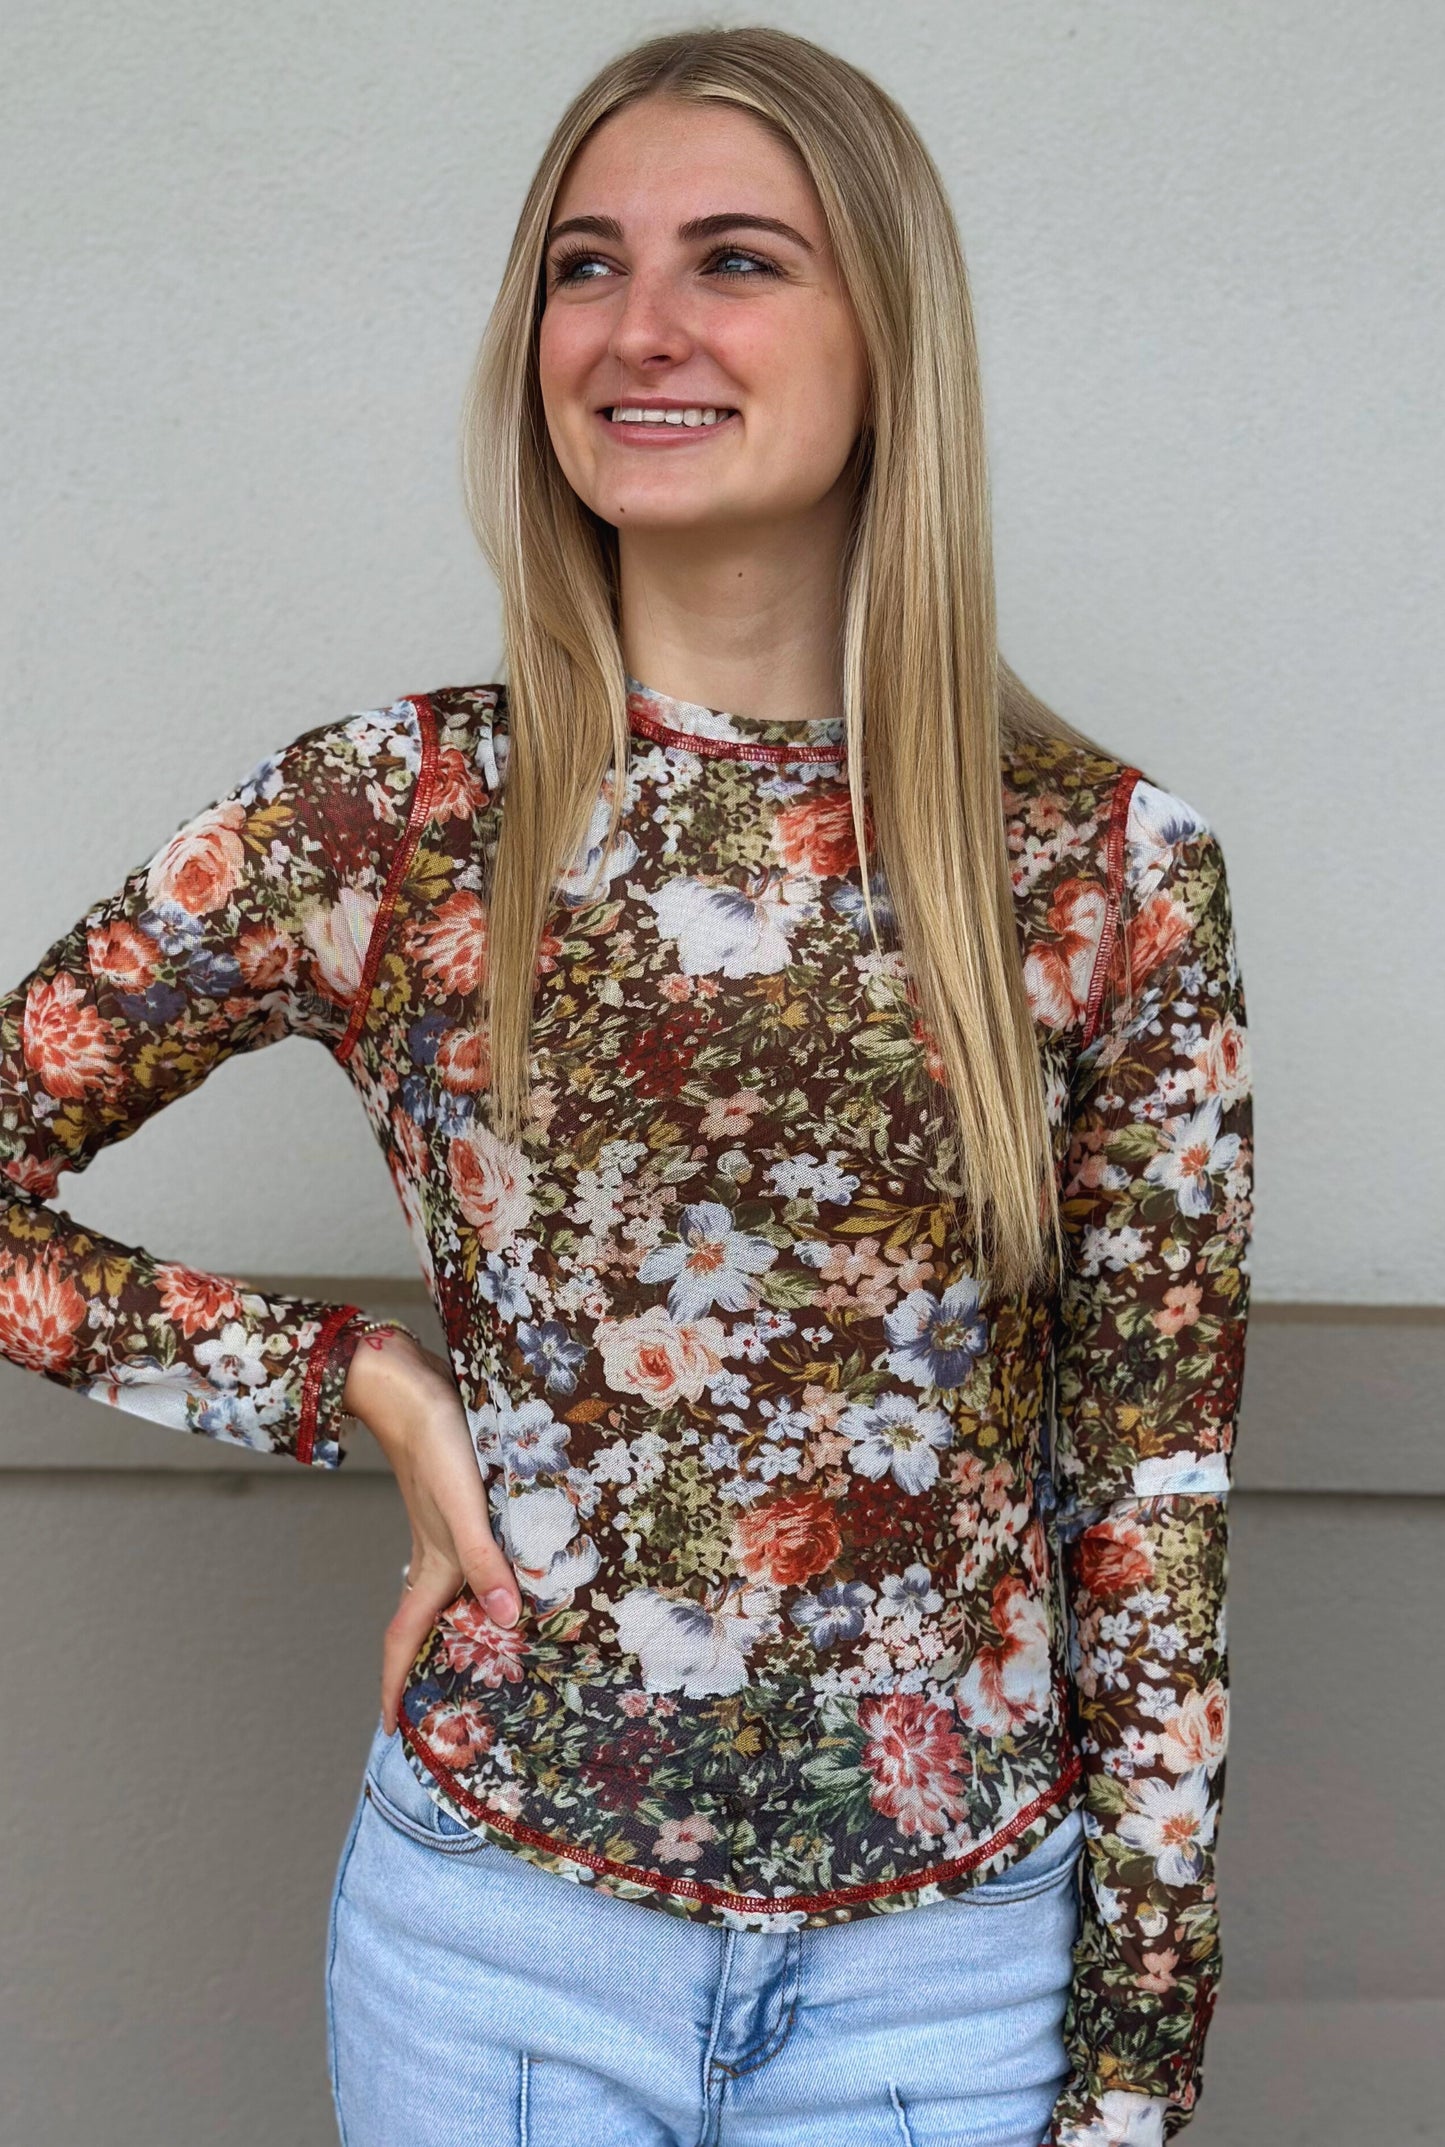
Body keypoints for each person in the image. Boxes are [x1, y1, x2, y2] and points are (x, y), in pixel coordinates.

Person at [0, 25, 1253, 2147]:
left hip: (951, 1984)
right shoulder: (393, 811)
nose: (640, 326)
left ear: (887, 341)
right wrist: (355, 1391)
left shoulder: (1107, 874)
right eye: (586, 266)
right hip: (498, 1945)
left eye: (736, 260)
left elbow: (1149, 1504)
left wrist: (1134, 2066)